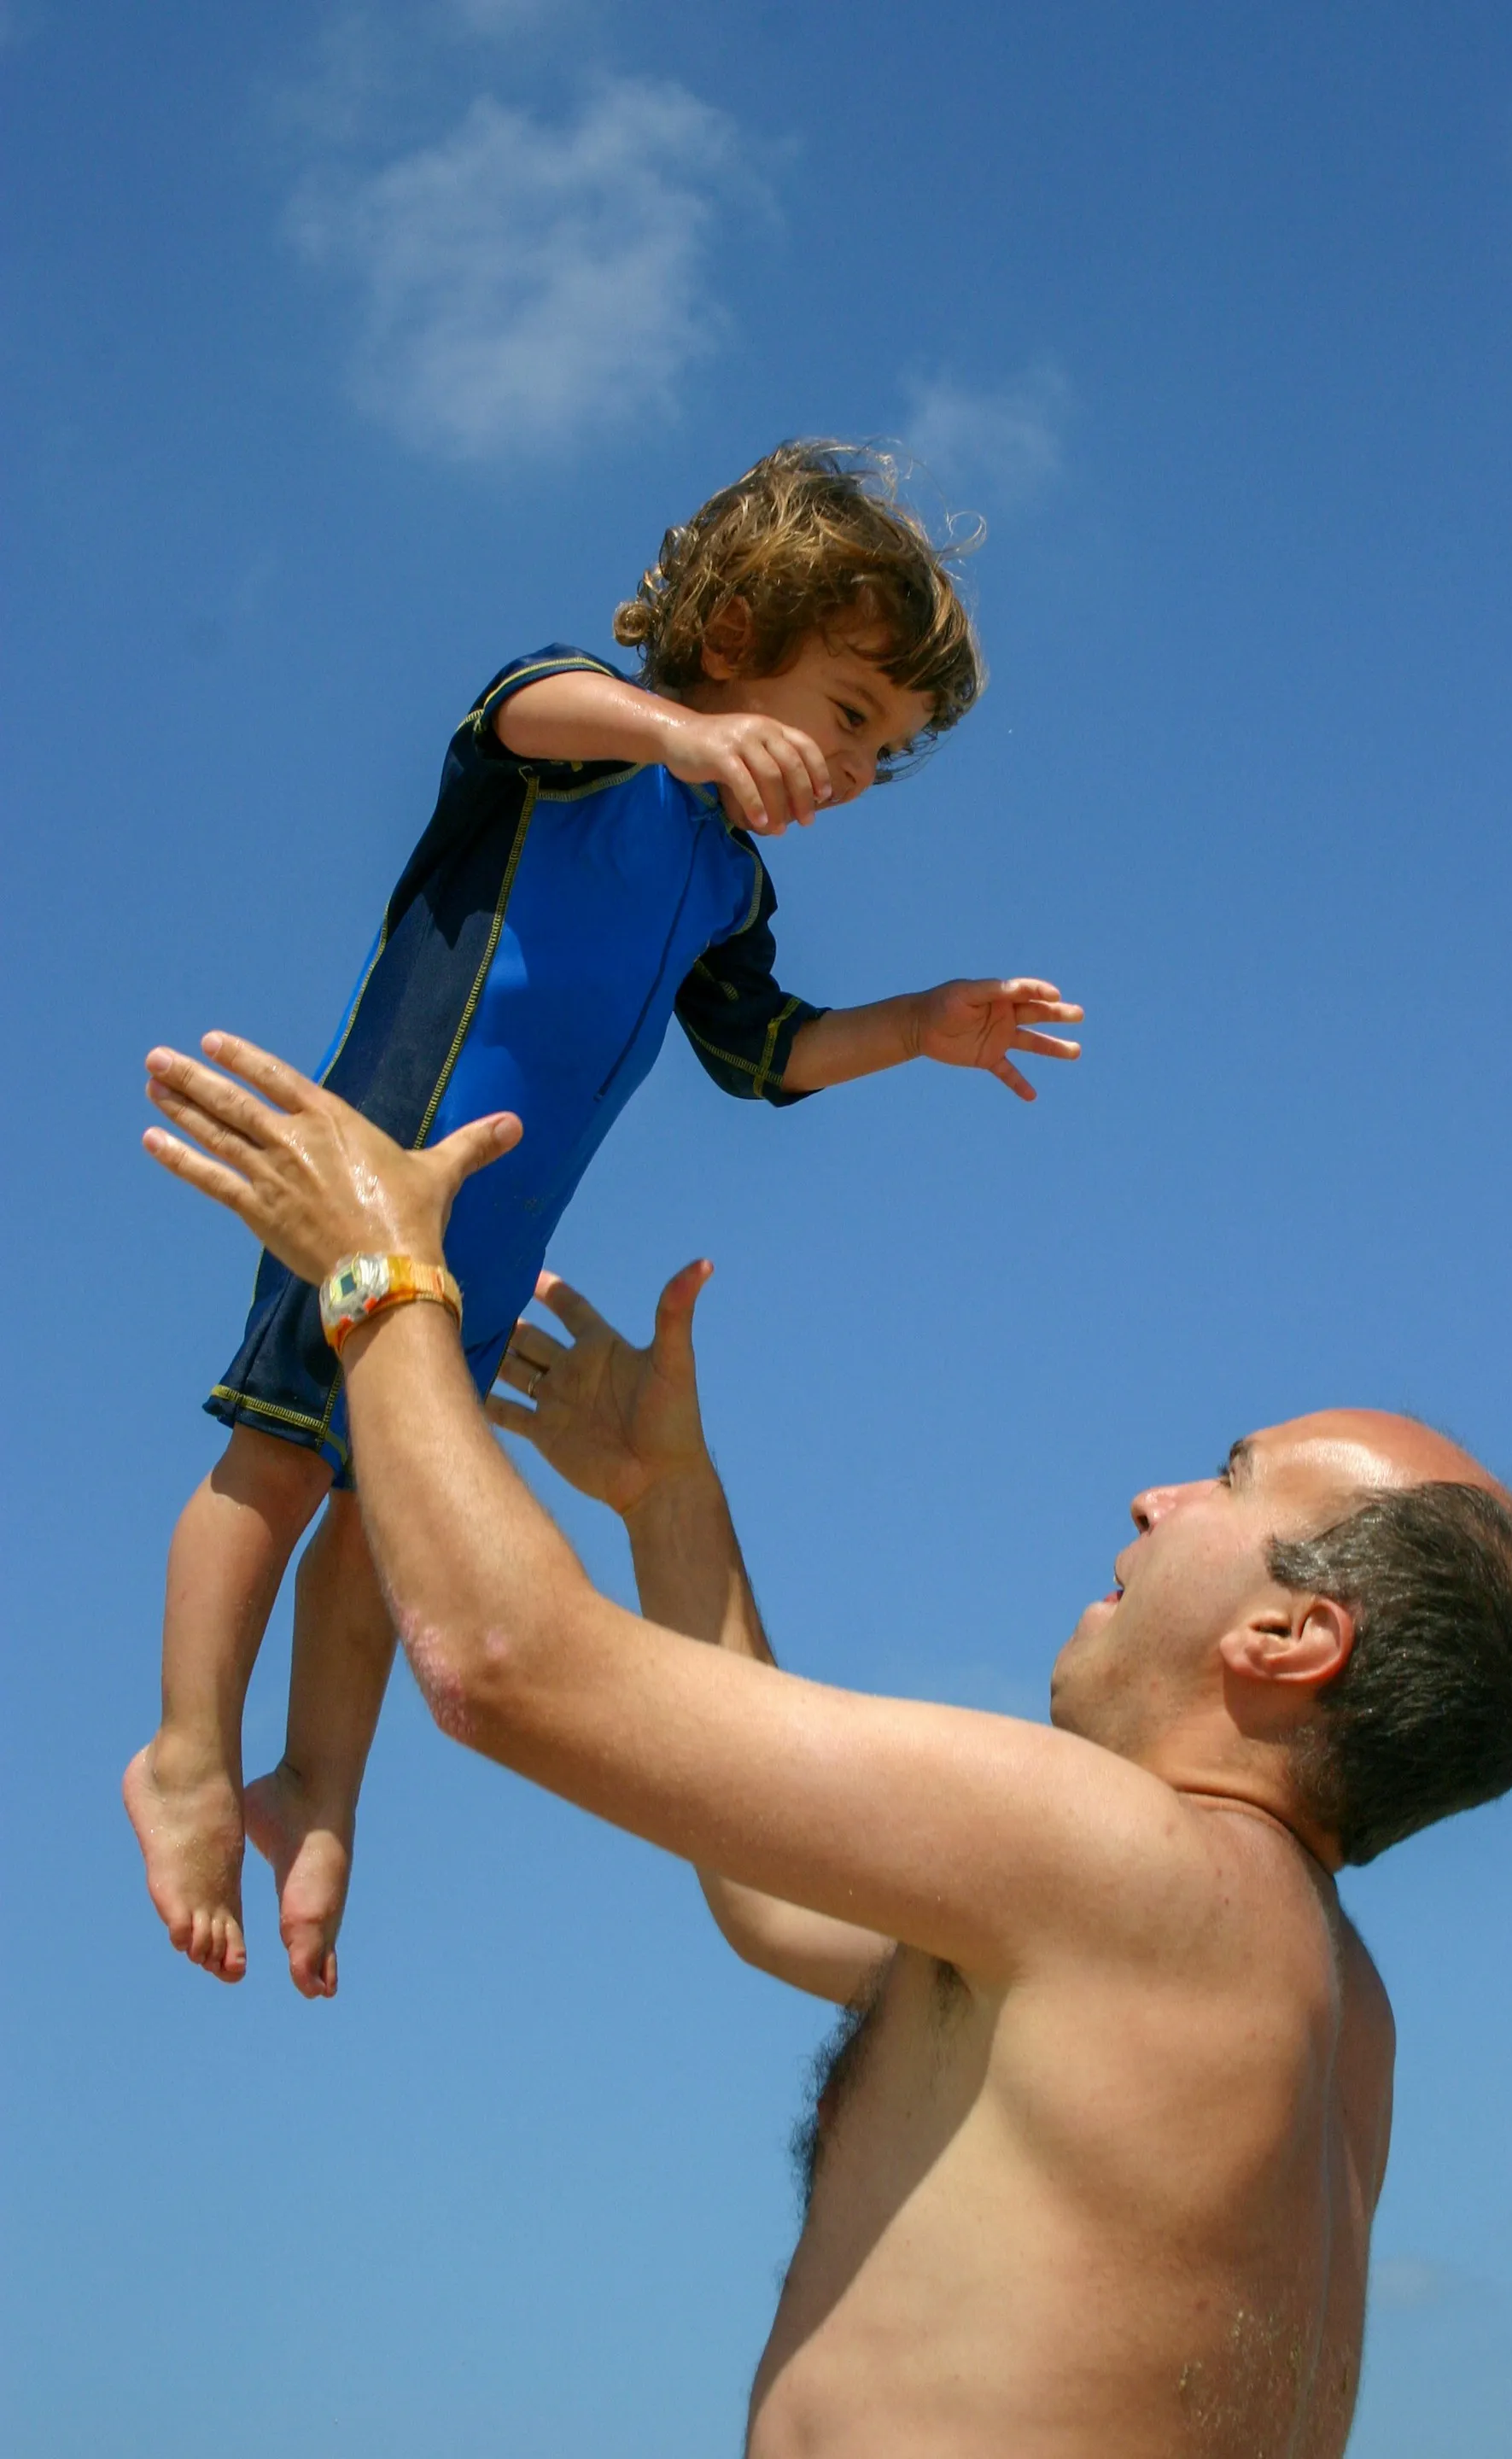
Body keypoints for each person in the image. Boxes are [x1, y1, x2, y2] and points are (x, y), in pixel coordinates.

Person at [138, 1034, 1512, 2459]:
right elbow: (778, 1897)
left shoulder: (1126, 1861)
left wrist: (379, 1271)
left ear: (1289, 1641)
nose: (1155, 1500)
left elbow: (506, 1666)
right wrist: (663, 1500)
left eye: (1226, 1480)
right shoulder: (1320, 2001)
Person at [124, 442, 1084, 1999]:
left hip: (484, 1251)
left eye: (881, 752)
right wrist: (673, 737)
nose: (850, 768)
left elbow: (759, 1053)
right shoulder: (584, 745)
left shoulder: (730, 889)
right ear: (727, 639)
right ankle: (183, 1751)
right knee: (280, 1455)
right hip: (375, 1180)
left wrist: (922, 1024)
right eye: (848, 715)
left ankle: (316, 1786)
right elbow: (519, 701)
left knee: (393, 1517)